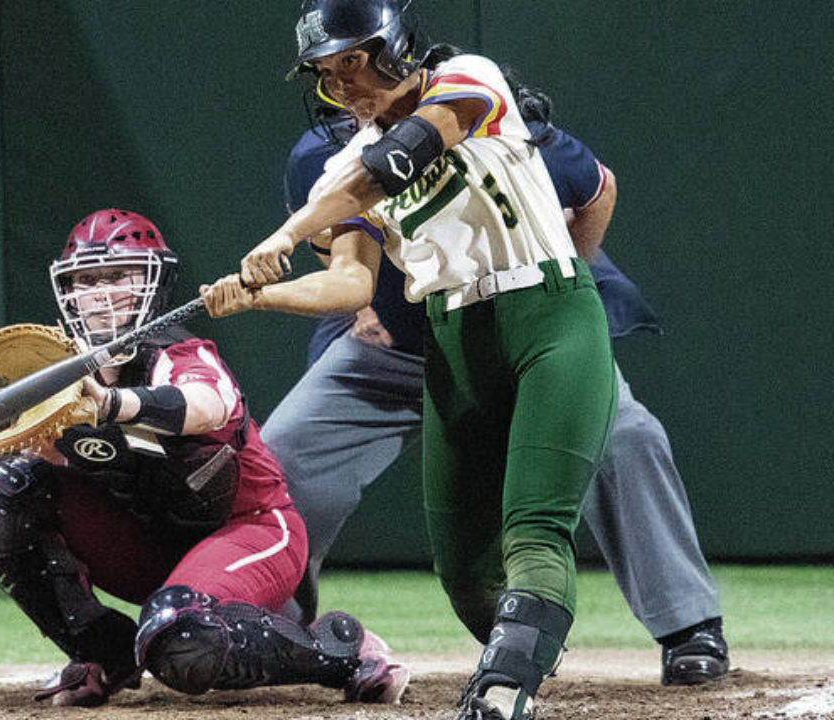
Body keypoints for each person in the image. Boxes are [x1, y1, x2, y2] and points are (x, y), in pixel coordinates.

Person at [202, 1, 618, 717]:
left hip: (546, 312)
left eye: (355, 62)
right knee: (461, 565)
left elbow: (398, 160)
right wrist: (256, 297)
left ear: (394, 47)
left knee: (534, 525)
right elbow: (351, 282)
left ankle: (504, 687)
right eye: (330, 76)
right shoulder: (337, 164)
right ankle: (523, 649)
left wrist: (290, 229)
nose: (347, 85)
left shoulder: (468, 78)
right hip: (453, 337)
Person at [263, 69, 729, 687]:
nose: (353, 101)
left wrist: (569, 295)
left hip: (526, 336)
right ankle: (269, 629)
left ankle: (688, 625)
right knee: (283, 455)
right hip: (398, 349)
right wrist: (356, 306)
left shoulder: (494, 120)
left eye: (365, 77)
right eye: (335, 85)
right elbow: (345, 265)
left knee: (627, 437)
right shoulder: (324, 158)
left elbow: (599, 188)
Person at [0, 208, 409, 708]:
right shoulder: (57, 378)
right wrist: (15, 439)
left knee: (183, 642)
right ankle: (102, 653)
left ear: (153, 282)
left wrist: (111, 405)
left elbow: (205, 406)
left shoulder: (181, 352)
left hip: (249, 530)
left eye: (118, 276)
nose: (101, 295)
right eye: (87, 280)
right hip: (146, 540)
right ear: (67, 290)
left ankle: (341, 648)